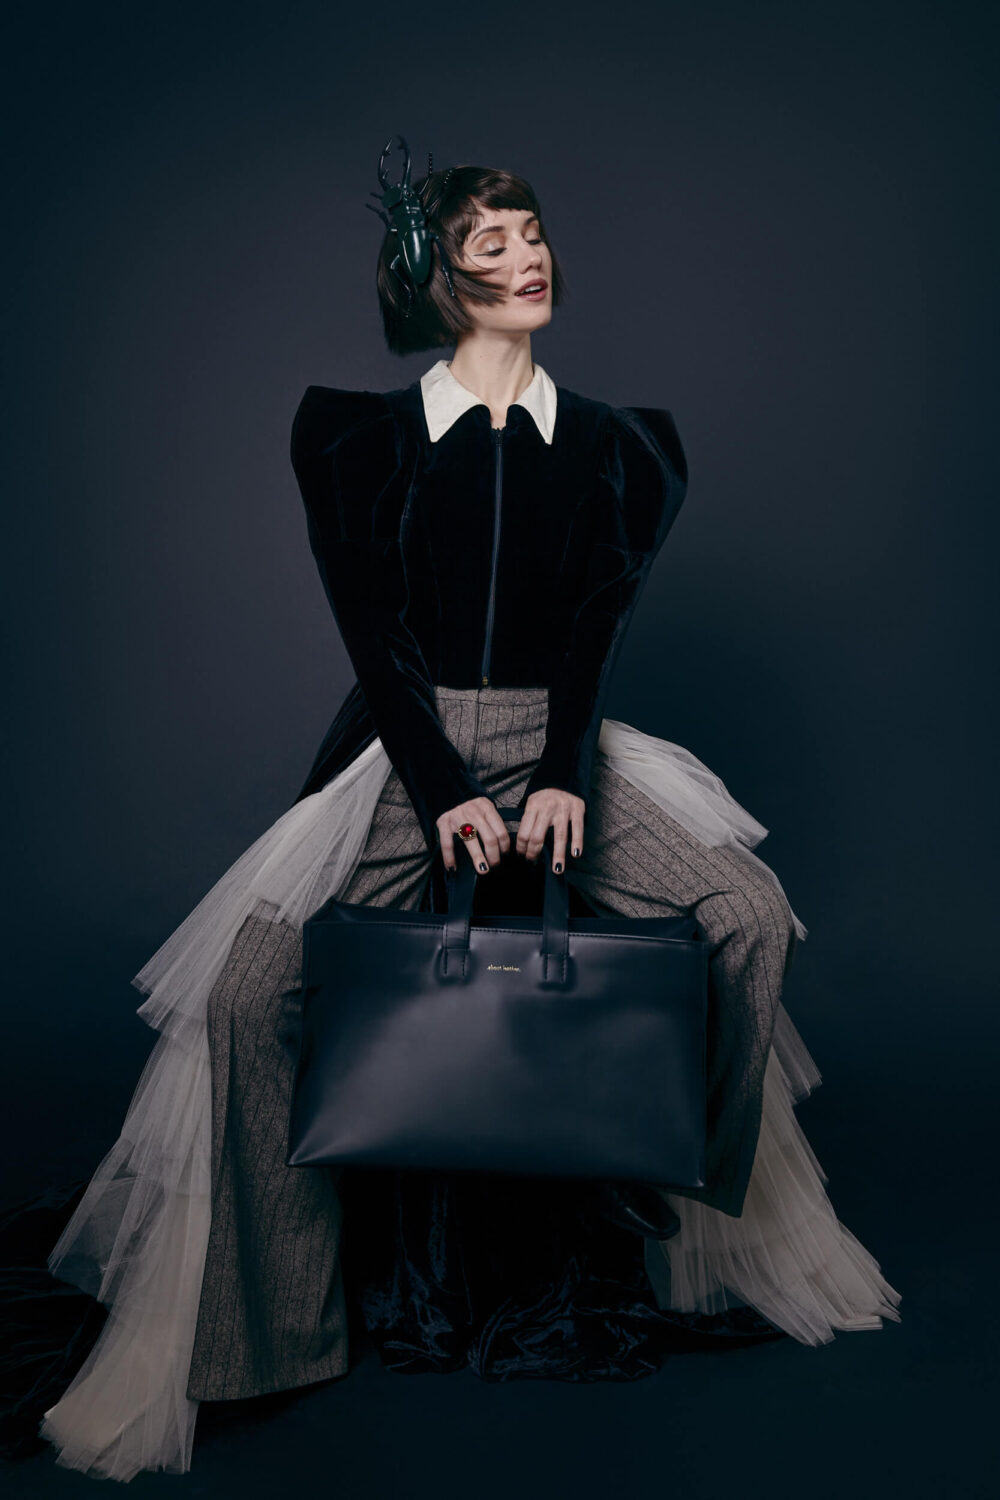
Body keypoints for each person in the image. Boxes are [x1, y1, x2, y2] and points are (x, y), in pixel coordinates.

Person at [13, 142, 899, 1482]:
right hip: (408, 746)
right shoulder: (355, 436)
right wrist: (442, 793)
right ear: (435, 276)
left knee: (747, 918)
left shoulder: (619, 446)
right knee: (247, 998)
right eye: (491, 241)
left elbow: (596, 627)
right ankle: (270, 1334)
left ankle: (662, 1194)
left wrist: (559, 773)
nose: (527, 257)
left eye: (532, 232)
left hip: (564, 742)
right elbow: (373, 638)